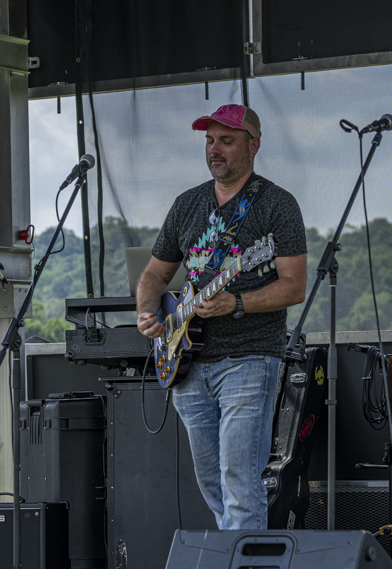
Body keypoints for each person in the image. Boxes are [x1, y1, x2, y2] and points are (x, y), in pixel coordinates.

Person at [135, 104, 308, 530]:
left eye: (226, 141)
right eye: (210, 140)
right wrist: (147, 311)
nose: (215, 149)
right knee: (212, 482)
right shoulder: (187, 204)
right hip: (187, 363)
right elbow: (155, 274)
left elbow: (294, 286)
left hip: (249, 359)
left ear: (253, 145)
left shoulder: (277, 204)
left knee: (240, 480)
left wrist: (238, 303)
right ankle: (237, 557)